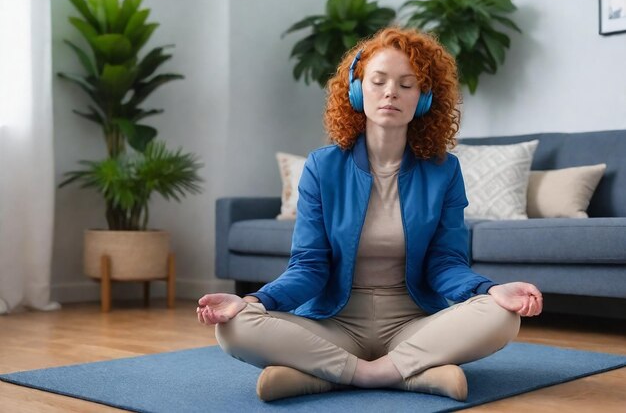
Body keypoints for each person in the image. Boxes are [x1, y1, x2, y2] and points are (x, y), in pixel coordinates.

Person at [197, 27, 543, 403]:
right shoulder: (321, 167)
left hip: (413, 324)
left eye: (407, 85)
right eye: (378, 81)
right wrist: (255, 302)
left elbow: (445, 263)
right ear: (358, 91)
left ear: (424, 99)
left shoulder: (444, 171)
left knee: (503, 316)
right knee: (232, 328)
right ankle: (406, 374)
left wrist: (491, 290)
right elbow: (309, 266)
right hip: (335, 322)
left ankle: (327, 375)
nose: (391, 92)